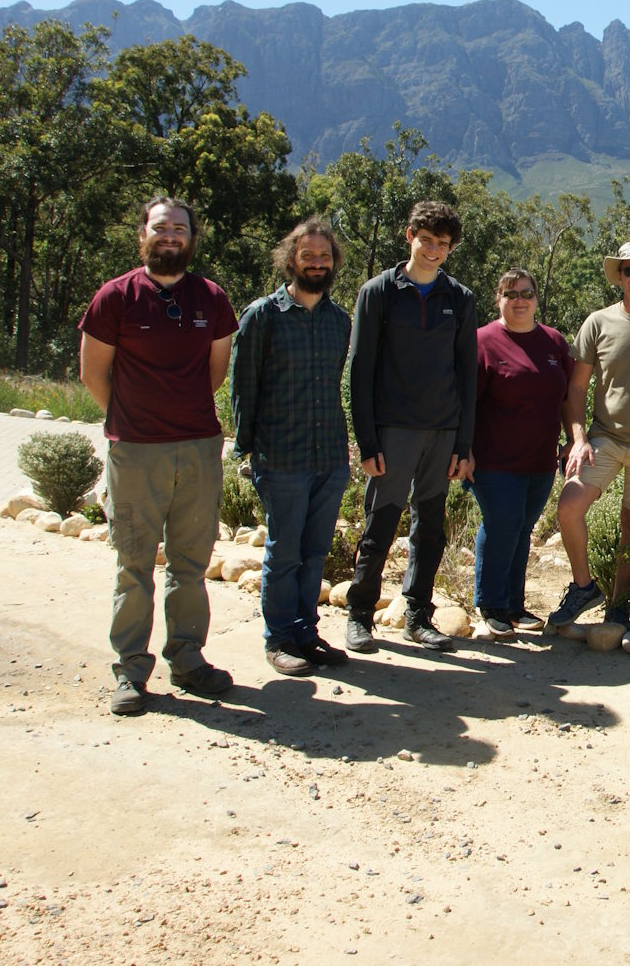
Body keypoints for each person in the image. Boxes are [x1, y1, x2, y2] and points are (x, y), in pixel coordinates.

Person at [78, 197, 238, 715]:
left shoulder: (211, 298)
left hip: (197, 448)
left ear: (192, 237)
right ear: (144, 233)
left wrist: (179, 418)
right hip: (135, 453)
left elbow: (216, 373)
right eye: (161, 227)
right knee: (133, 565)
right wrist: (131, 418)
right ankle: (130, 671)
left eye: (179, 228)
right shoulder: (115, 297)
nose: (170, 235)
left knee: (190, 564)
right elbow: (92, 374)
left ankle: (188, 660)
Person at [341, 201, 478, 654]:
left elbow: (466, 374)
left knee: (431, 528)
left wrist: (464, 443)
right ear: (409, 236)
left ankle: (418, 616)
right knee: (380, 525)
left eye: (443, 244)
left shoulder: (459, 299)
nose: (434, 250)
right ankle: (360, 615)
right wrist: (366, 439)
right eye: (427, 240)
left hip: (442, 432)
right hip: (393, 431)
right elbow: (360, 369)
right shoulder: (378, 292)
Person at [230, 220, 353, 676]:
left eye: (324, 256)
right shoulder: (262, 316)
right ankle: (278, 638)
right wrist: (246, 448)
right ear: (291, 260)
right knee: (284, 551)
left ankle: (306, 632)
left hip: (328, 457)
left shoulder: (340, 321)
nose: (317, 263)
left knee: (315, 549)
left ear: (333, 262)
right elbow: (243, 387)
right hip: (280, 458)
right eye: (308, 256)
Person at [547, 241, 630, 629]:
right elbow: (576, 389)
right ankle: (584, 586)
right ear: (619, 277)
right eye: (629, 271)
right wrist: (578, 438)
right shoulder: (598, 323)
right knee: (569, 508)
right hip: (604, 439)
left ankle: (619, 606)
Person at [466, 269, 576, 638]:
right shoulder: (483, 341)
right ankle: (490, 603)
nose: (520, 300)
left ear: (536, 298)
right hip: (494, 461)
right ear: (498, 298)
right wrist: (462, 450)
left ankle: (513, 604)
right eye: (511, 293)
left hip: (540, 461)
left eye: (526, 293)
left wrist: (571, 440)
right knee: (503, 525)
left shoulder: (553, 342)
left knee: (522, 529)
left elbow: (567, 397)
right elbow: (465, 402)